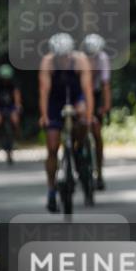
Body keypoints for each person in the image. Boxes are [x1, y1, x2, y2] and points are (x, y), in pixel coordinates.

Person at [38, 33, 94, 213]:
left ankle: (78, 148)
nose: (63, 60)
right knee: (52, 147)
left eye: (66, 56)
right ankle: (51, 189)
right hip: (55, 100)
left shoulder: (80, 60)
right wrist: (44, 115)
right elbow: (44, 91)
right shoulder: (47, 63)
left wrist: (89, 116)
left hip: (75, 97)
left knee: (83, 119)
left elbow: (87, 90)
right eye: (59, 57)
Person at [81, 33, 112, 190]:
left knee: (97, 133)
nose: (91, 58)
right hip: (81, 94)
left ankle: (99, 172)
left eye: (94, 55)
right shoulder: (79, 59)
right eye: (88, 55)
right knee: (78, 129)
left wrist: (106, 107)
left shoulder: (103, 59)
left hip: (96, 93)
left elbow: (106, 85)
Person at [0, 64, 22, 164]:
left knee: (15, 119)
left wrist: (17, 107)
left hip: (10, 107)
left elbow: (17, 95)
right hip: (0, 107)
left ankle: (17, 137)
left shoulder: (13, 83)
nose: (5, 80)